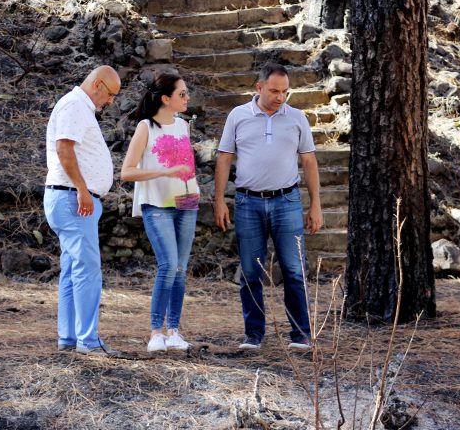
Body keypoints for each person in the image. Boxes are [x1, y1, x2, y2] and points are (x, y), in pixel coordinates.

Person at [214, 63, 323, 350]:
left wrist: (315, 206)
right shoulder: (238, 116)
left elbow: (309, 162)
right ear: (258, 87)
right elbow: (224, 158)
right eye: (274, 91)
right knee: (250, 271)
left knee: (294, 270)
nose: (280, 97)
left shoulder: (297, 118)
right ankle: (253, 335)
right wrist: (219, 201)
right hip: (247, 202)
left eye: (285, 91)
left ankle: (300, 334)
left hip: (287, 201)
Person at [43, 65, 122, 356]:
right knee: (87, 270)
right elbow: (65, 149)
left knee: (73, 269)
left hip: (69, 198)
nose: (111, 101)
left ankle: (69, 337)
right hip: (72, 199)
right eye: (111, 94)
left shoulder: (79, 107)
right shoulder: (75, 105)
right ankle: (88, 340)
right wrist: (82, 189)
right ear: (98, 84)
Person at [121, 72, 200, 353]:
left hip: (187, 201)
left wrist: (193, 185)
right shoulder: (146, 127)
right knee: (167, 265)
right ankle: (156, 332)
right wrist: (165, 172)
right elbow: (127, 172)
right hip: (156, 203)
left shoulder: (183, 126)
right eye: (181, 94)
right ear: (165, 99)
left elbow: (185, 165)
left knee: (180, 268)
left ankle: (174, 331)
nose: (187, 98)